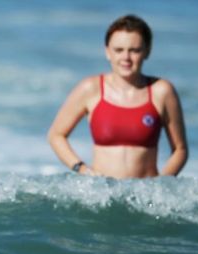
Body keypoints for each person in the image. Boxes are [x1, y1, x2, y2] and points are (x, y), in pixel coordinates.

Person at [47, 14, 188, 179]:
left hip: (144, 197)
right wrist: (82, 168)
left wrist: (160, 184)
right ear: (107, 52)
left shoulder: (162, 91)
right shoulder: (90, 88)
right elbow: (56, 135)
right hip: (103, 194)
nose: (126, 58)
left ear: (147, 51)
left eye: (134, 50)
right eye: (119, 50)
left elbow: (180, 149)